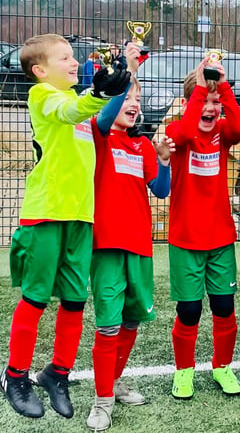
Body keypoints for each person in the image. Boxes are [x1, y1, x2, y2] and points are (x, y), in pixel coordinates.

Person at [2, 33, 130, 419]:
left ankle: (57, 372)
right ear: (41, 70)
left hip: (80, 216)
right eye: (65, 58)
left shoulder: (79, 104)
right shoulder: (43, 96)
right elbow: (67, 112)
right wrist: (95, 92)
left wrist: (119, 85)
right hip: (46, 213)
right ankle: (15, 377)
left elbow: (91, 115)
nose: (74, 62)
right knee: (36, 297)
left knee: (75, 301)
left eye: (74, 56)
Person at [86, 46, 175, 431]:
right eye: (131, 99)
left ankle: (115, 382)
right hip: (106, 244)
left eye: (139, 101)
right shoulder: (99, 134)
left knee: (131, 320)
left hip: (140, 245)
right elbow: (106, 113)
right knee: (107, 324)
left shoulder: (140, 145)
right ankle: (102, 399)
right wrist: (131, 71)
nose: (135, 106)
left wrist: (165, 158)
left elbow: (160, 189)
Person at [165, 58, 240, 401]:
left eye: (216, 103)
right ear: (190, 102)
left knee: (224, 307)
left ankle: (221, 366)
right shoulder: (176, 132)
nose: (211, 107)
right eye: (204, 101)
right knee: (189, 310)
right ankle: (184, 372)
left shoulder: (223, 135)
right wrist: (200, 89)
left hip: (220, 239)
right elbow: (184, 131)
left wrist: (223, 89)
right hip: (186, 239)